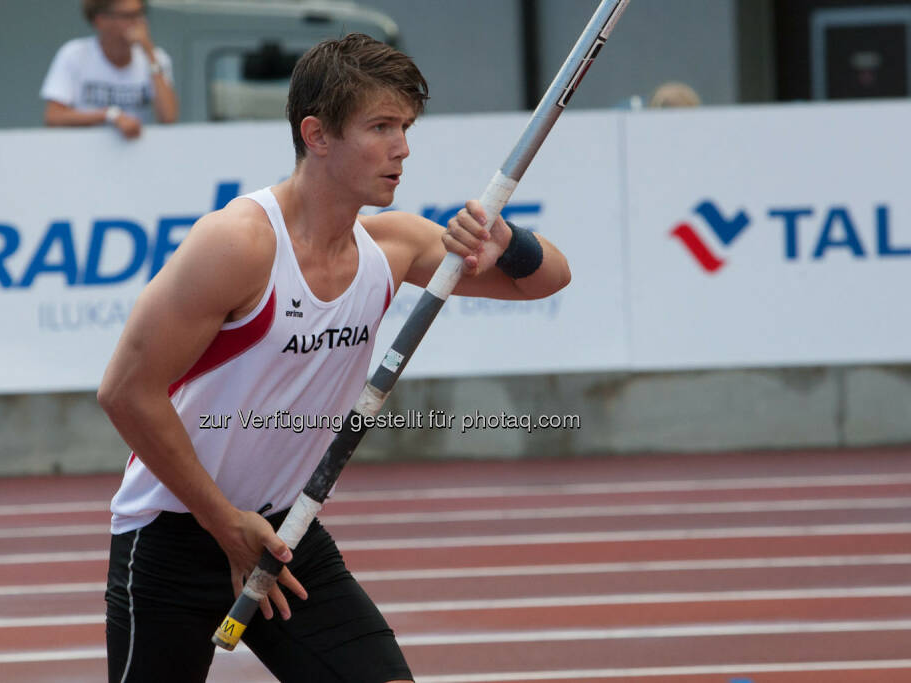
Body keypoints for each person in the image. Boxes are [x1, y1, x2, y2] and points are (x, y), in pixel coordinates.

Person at [98, 33, 571, 682]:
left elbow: (547, 279)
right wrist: (223, 522)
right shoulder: (239, 244)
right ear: (316, 135)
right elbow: (125, 391)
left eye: (405, 127)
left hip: (285, 530)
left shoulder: (395, 244)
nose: (402, 147)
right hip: (174, 532)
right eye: (380, 127)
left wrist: (505, 240)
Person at [40, 0, 178, 139]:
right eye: (127, 16)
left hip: (138, 155)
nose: (137, 23)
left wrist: (149, 51)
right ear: (100, 20)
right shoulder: (75, 54)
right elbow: (53, 117)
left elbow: (168, 118)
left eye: (139, 14)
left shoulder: (157, 58)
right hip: (84, 152)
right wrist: (110, 115)